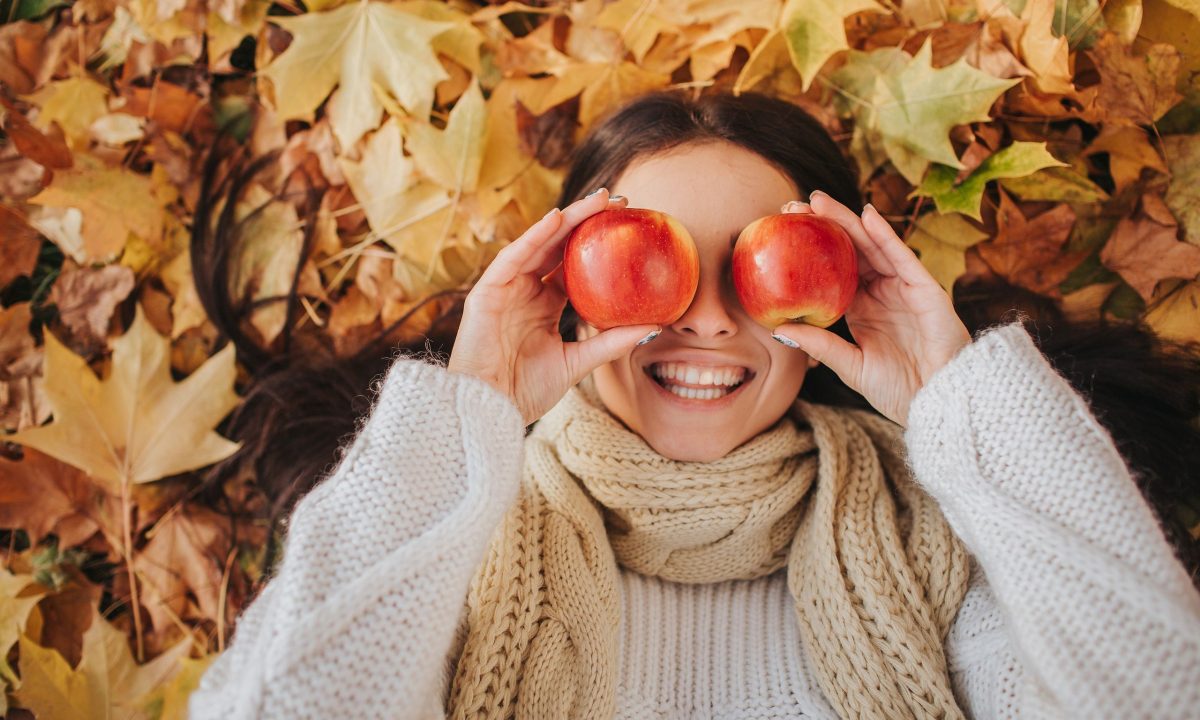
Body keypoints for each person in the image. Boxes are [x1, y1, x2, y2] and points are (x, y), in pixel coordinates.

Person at [187, 91, 1200, 719]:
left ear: (843, 295)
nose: (707, 323)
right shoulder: (444, 556)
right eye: (656, 267)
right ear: (566, 290)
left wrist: (958, 395)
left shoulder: (952, 554)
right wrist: (469, 407)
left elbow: (1159, 693)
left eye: (752, 271)